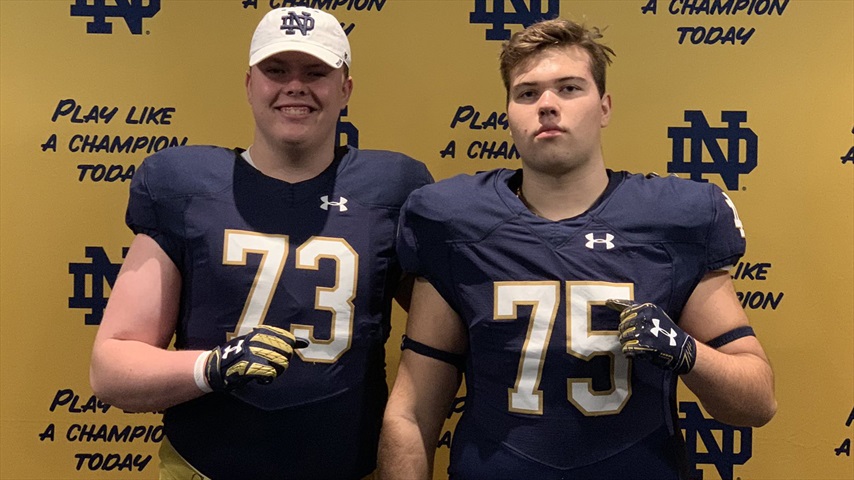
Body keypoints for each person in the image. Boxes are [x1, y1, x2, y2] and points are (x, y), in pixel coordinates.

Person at [378, 17, 776, 480]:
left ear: (604, 107)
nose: (547, 104)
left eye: (569, 88)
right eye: (527, 93)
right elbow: (412, 413)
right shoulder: (455, 221)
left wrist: (685, 351)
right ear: (508, 113)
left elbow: (757, 402)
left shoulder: (675, 218)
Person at [89, 7, 432, 480]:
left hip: (349, 466)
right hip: (204, 466)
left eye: (316, 72)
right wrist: (213, 367)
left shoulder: (392, 189)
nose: (295, 86)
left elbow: (450, 337)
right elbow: (111, 369)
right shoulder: (184, 186)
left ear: (345, 89)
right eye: (276, 70)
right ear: (250, 84)